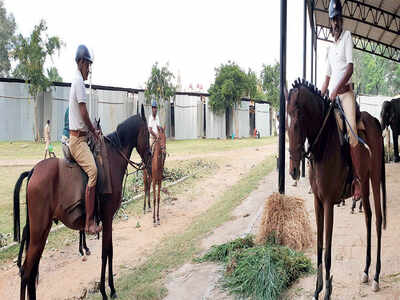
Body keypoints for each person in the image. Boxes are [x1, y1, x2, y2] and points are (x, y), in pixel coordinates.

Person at [320, 0, 362, 200]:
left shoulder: (347, 37)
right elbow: (327, 77)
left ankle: (357, 181)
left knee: (352, 133)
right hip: (333, 96)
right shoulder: (329, 48)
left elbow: (350, 68)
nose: (335, 23)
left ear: (341, 20)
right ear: (329, 22)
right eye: (332, 19)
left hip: (345, 95)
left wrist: (336, 90)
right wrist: (322, 95)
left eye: (337, 18)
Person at [68, 44, 102, 235]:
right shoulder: (79, 82)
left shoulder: (77, 80)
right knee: (94, 172)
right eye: (88, 64)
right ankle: (89, 223)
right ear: (81, 63)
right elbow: (83, 111)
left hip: (82, 136)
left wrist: (92, 131)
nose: (89, 68)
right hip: (77, 141)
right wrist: (94, 131)